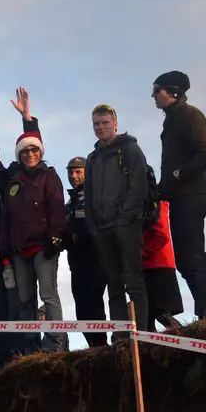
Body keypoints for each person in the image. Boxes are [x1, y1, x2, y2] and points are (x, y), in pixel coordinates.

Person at [0, 122, 68, 354]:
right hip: (19, 248)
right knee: (24, 298)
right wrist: (3, 248)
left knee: (48, 294)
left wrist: (56, 237)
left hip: (43, 245)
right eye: (25, 151)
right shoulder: (12, 183)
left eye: (34, 150)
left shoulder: (49, 177)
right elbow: (6, 218)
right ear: (19, 155)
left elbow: (58, 208)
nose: (30, 154)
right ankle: (30, 345)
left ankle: (54, 341)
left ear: (40, 152)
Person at [153, 71, 206, 320]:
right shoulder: (172, 119)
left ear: (173, 92)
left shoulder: (191, 115)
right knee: (184, 259)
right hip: (179, 197)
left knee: (192, 257)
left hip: (192, 195)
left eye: (157, 90)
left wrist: (179, 174)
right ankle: (205, 313)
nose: (153, 96)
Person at [84, 103, 150, 336]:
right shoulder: (92, 158)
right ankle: (120, 335)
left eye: (104, 123)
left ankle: (139, 333)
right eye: (96, 124)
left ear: (115, 123)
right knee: (113, 284)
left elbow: (138, 186)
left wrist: (124, 219)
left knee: (133, 281)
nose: (100, 128)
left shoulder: (130, 150)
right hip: (101, 229)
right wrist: (92, 227)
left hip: (127, 226)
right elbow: (88, 194)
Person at [64, 155, 108, 347]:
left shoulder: (97, 195)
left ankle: (100, 345)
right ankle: (93, 345)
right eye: (70, 172)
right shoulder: (70, 202)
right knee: (81, 309)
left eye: (78, 171)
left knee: (94, 304)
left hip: (95, 259)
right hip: (76, 262)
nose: (74, 176)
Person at [142, 200, 183, 331]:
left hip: (159, 266)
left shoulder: (154, 204)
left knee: (162, 314)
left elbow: (161, 235)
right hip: (147, 266)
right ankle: (152, 348)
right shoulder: (137, 204)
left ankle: (185, 340)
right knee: (147, 317)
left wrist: (139, 253)